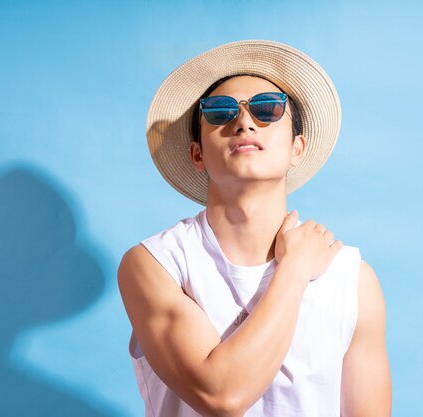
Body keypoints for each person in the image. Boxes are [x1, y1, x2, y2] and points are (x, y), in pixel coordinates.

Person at [118, 40, 391, 417]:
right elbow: (221, 397)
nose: (244, 122)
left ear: (298, 148)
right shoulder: (155, 265)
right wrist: (293, 270)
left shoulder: (351, 280)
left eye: (267, 108)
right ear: (197, 154)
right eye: (219, 111)